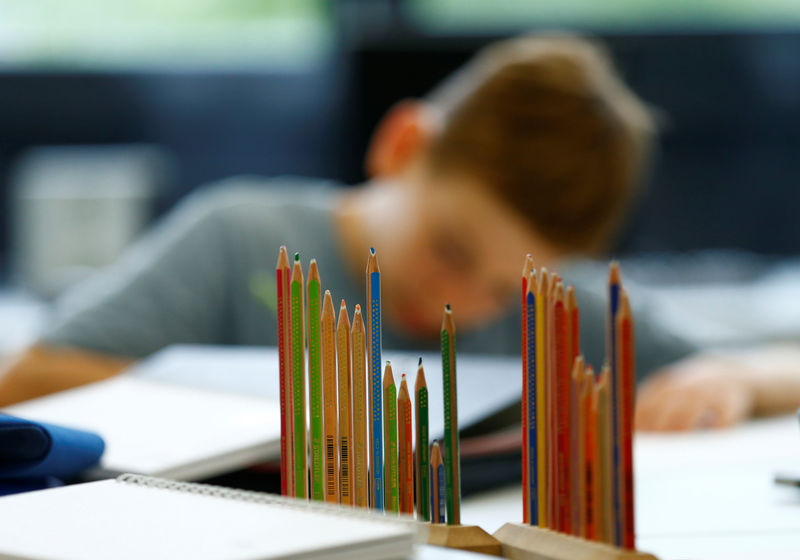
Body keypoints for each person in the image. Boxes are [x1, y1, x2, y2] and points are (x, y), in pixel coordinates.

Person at [1, 34, 797, 431]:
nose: (461, 305)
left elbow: (774, 368)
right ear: (401, 147)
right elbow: (28, 382)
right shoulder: (240, 235)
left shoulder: (551, 310)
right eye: (451, 249)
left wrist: (735, 381)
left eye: (506, 288)